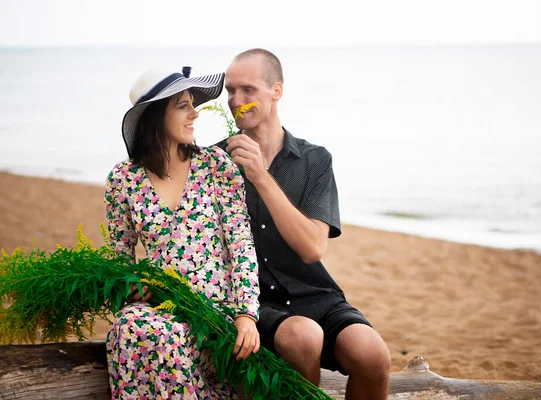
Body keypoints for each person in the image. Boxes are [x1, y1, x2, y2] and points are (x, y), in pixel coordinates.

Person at [216, 49, 391, 399]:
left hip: (315, 295)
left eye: (248, 90)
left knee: (372, 354)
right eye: (230, 91)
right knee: (302, 337)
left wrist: (261, 177)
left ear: (276, 91)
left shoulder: (315, 160)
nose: (237, 101)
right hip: (252, 304)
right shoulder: (214, 163)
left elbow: (313, 248)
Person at [105, 67, 260, 399]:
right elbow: (119, 259)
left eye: (193, 104)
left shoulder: (215, 166)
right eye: (183, 106)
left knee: (168, 334)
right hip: (159, 304)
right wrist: (131, 285)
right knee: (126, 325)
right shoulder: (123, 179)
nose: (195, 113)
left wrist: (246, 315)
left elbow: (241, 243)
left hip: (211, 307)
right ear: (156, 116)